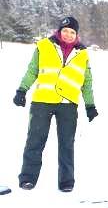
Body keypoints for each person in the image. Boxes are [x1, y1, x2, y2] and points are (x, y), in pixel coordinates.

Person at [13, 16, 98, 192]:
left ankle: (66, 181)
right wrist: (22, 90)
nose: (68, 34)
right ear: (59, 31)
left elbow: (86, 81)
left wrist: (90, 105)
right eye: (65, 30)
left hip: (68, 104)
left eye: (72, 32)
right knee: (35, 141)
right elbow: (32, 70)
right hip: (42, 101)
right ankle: (27, 178)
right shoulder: (44, 46)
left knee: (67, 143)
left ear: (76, 34)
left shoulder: (82, 54)